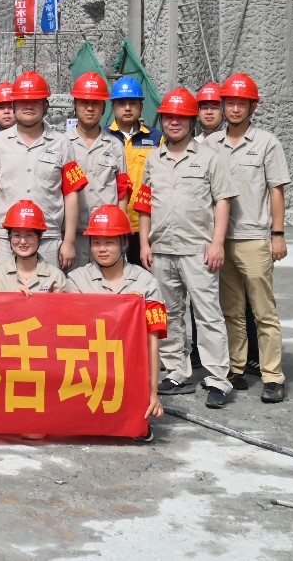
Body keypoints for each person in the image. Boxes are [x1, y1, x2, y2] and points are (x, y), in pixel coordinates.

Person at [137, 87, 237, 409]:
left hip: (198, 250)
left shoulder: (210, 158)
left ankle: (218, 379)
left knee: (208, 315)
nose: (174, 122)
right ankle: (177, 372)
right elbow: (144, 205)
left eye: (181, 117)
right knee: (169, 313)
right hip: (162, 249)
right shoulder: (153, 160)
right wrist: (144, 242)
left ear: (192, 121)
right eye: (169, 117)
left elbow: (222, 201)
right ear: (162, 120)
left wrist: (217, 243)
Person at [207, 72, 290, 404]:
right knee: (230, 309)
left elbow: (276, 190)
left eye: (242, 103)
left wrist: (278, 234)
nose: (235, 109)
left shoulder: (267, 143)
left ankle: (273, 375)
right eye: (230, 103)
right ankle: (236, 368)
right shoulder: (210, 144)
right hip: (221, 240)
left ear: (253, 106)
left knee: (263, 312)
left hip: (254, 238)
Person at [67, 203, 169, 426]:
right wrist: (120, 306)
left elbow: (152, 341)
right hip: (88, 370)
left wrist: (153, 393)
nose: (102, 249)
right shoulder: (76, 280)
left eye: (109, 242)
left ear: (125, 243)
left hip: (129, 370)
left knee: (135, 426)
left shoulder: (146, 283)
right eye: (96, 243)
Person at [0, 71, 85, 274]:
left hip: (49, 238)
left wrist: (69, 241)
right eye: (22, 101)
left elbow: (71, 193)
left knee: (48, 291)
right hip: (5, 238)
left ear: (46, 105)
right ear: (13, 105)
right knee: (5, 291)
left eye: (35, 101)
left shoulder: (62, 143)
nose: (28, 106)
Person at [67, 72, 132, 270]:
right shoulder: (62, 143)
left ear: (104, 107)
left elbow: (123, 190)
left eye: (96, 103)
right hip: (73, 235)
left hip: (107, 235)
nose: (90, 108)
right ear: (75, 105)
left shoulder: (114, 145)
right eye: (84, 102)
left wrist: (121, 230)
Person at [109, 75, 161, 259]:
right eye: (122, 103)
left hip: (147, 224)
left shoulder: (157, 139)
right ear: (112, 107)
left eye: (133, 103)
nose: (127, 108)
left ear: (141, 106)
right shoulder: (104, 138)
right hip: (112, 223)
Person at [0, 200, 68, 294]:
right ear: (9, 237)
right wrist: (11, 299)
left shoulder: (55, 276)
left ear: (39, 237)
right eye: (17, 235)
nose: (23, 242)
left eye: (29, 235)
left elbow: (62, 304)